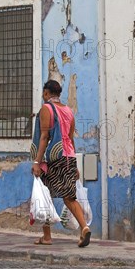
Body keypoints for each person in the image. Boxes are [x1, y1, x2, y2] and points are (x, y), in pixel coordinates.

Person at [31, 80, 91, 247]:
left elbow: (44, 137)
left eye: (44, 94)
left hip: (53, 157)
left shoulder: (46, 109)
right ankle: (84, 228)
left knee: (45, 194)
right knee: (69, 197)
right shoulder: (68, 111)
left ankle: (47, 237)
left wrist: (37, 161)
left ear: (46, 93)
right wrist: (75, 165)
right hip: (69, 157)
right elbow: (70, 139)